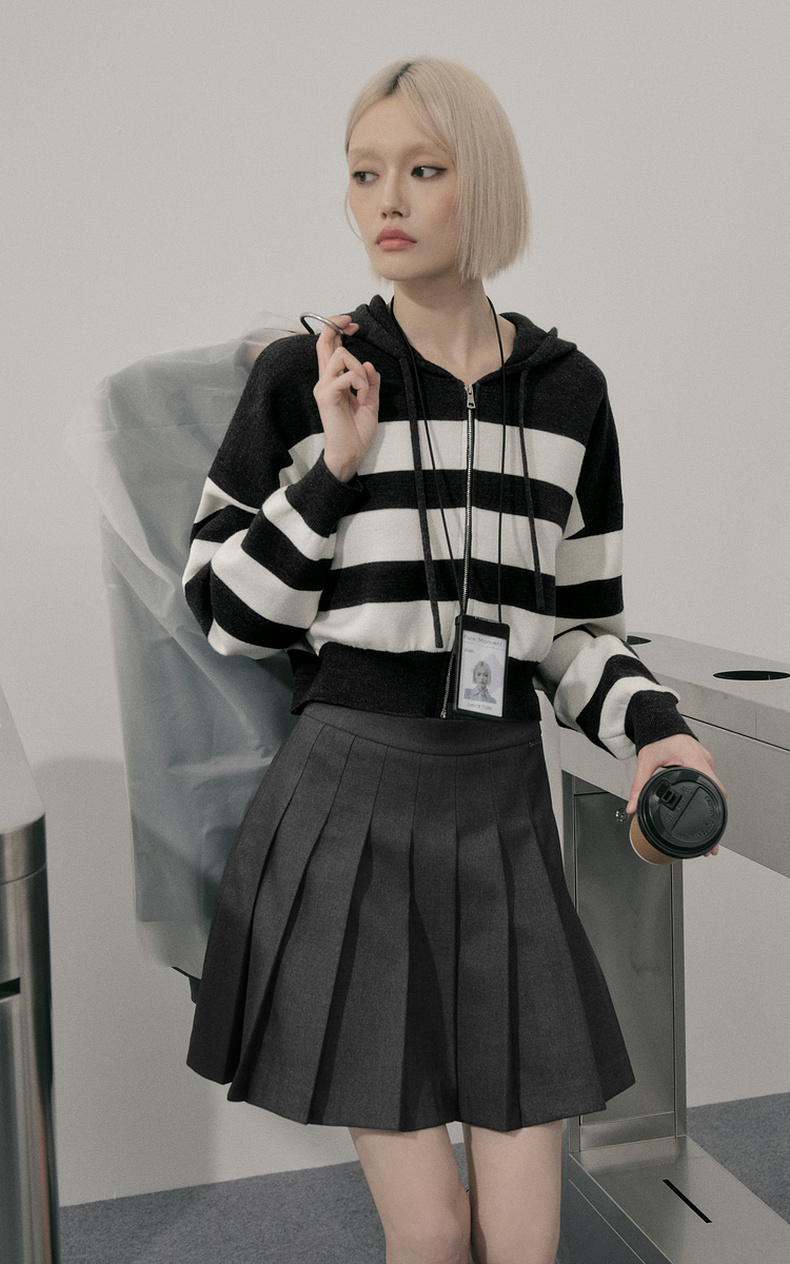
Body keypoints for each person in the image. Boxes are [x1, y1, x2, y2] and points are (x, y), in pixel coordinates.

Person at [182, 58, 723, 1264]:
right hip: (347, 802)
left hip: (500, 798)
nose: (388, 199)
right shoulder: (305, 376)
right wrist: (335, 463)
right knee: (430, 1232)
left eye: (423, 170)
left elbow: (577, 629)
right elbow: (227, 613)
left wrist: (658, 731)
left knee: (522, 1238)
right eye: (363, 173)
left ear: (486, 187)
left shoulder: (571, 395)